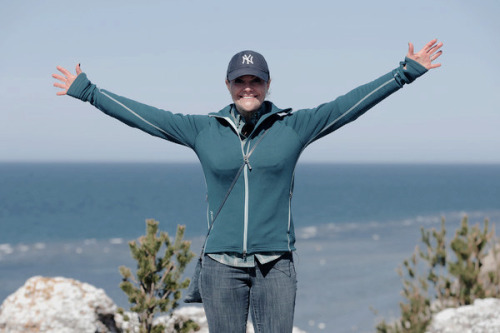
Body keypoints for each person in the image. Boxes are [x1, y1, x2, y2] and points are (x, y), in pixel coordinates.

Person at [52, 39, 443, 332]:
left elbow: (346, 106)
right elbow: (145, 117)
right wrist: (88, 92)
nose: (248, 88)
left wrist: (404, 73)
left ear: (268, 84)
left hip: (276, 265)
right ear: (228, 85)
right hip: (220, 267)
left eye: (256, 80)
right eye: (240, 81)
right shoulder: (202, 130)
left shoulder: (293, 127)